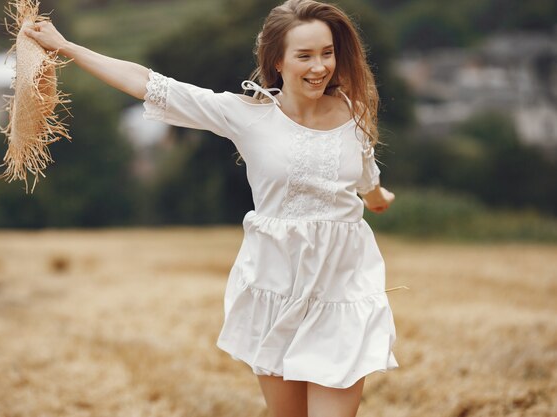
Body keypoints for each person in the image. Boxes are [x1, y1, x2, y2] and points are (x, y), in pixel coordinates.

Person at [25, 0, 398, 415]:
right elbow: (150, 85)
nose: (319, 67)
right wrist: (68, 47)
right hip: (275, 288)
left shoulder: (354, 111)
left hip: (341, 288)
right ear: (277, 60)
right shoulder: (247, 116)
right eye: (305, 56)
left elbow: (365, 172)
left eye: (327, 53)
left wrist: (378, 197)